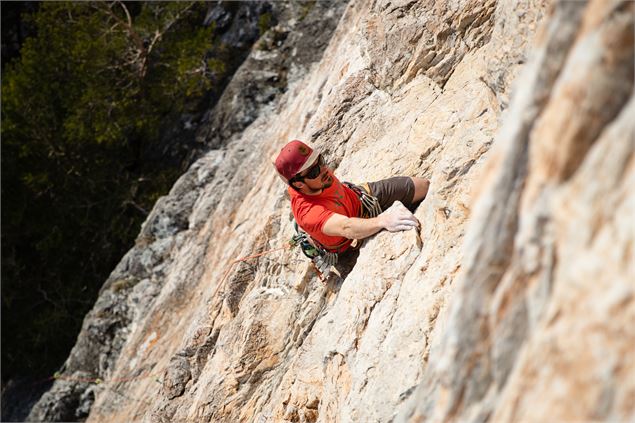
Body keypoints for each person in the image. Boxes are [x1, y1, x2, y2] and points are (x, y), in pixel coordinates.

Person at [273, 140, 429, 262]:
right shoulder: (309, 213)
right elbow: (346, 227)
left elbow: (276, 160)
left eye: (320, 161)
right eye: (314, 171)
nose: (323, 169)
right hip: (346, 239)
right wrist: (383, 221)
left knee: (424, 186)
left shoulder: (312, 178)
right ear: (299, 184)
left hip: (361, 199)